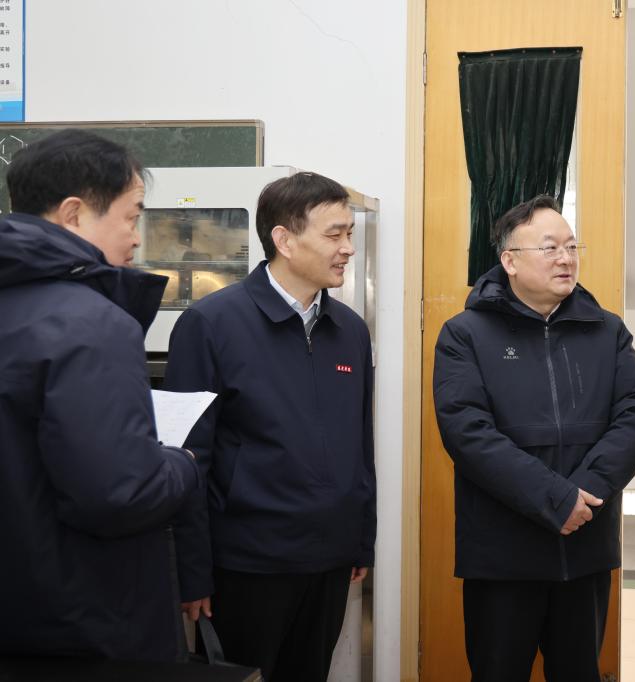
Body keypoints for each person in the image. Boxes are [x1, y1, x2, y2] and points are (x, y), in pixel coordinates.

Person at [433, 195, 635, 682]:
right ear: (509, 261)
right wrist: (555, 498)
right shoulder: (465, 334)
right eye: (550, 247)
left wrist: (585, 494)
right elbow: (468, 432)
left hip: (585, 547)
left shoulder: (607, 331)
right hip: (502, 555)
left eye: (572, 247)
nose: (565, 258)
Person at [164, 172, 375, 682]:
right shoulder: (210, 324)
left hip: (331, 559)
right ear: (284, 239)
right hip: (247, 565)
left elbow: (360, 444)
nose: (347, 248)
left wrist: (360, 539)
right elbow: (187, 458)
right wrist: (191, 571)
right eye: (334, 234)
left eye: (349, 233)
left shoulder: (350, 330)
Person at [0, 129, 200, 661]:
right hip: (85, 619)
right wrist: (180, 465)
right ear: (73, 214)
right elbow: (119, 496)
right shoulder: (92, 324)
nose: (137, 239)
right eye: (132, 217)